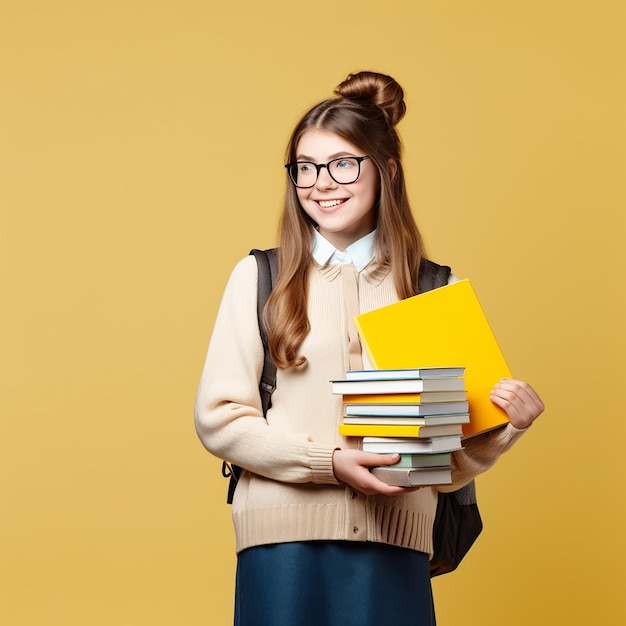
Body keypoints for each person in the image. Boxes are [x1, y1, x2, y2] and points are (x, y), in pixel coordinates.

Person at [194, 71, 544, 626]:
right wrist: (328, 463)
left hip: (395, 546)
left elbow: (444, 462)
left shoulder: (435, 289)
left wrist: (506, 428)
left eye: (342, 164)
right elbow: (220, 421)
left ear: (387, 170)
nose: (320, 183)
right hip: (281, 547)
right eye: (305, 168)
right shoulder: (260, 276)